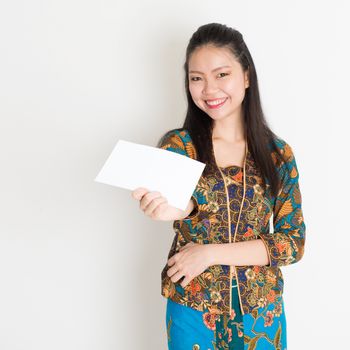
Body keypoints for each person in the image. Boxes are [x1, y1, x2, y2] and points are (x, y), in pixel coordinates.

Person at [132, 22, 306, 350]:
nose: (209, 89)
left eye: (221, 74)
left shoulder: (278, 154)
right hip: (193, 304)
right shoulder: (179, 146)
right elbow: (184, 201)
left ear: (246, 76)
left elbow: (292, 244)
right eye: (197, 78)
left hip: (260, 310)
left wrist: (210, 253)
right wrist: (174, 207)